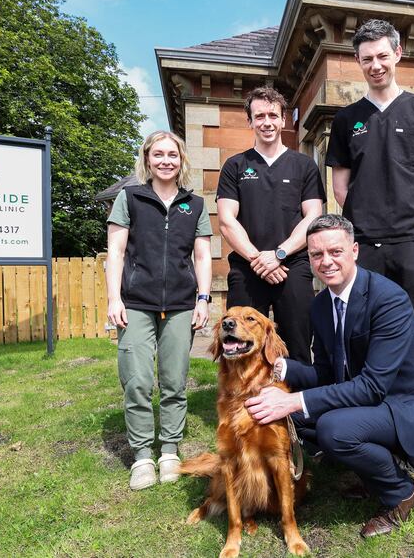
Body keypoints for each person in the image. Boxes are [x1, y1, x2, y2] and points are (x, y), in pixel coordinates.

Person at [245, 214, 414, 538]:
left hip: (408, 405)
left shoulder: (388, 300)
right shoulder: (320, 307)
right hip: (373, 400)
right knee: (300, 421)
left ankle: (401, 493)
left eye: (335, 252)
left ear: (354, 251)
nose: (325, 261)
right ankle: (372, 473)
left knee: (332, 429)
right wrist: (282, 369)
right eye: (316, 254)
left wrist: (293, 400)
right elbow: (329, 373)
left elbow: (372, 386)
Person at [326, 19, 414, 335]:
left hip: (411, 242)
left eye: (382, 56)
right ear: (358, 61)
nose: (376, 65)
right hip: (364, 243)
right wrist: (365, 223)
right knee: (364, 327)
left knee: (410, 329)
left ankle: (409, 386)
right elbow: (340, 187)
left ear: (397, 53)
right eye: (367, 58)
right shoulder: (347, 120)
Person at [105, 130, 212, 490]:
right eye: (159, 154)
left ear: (181, 160)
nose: (166, 161)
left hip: (181, 305)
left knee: (173, 380)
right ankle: (141, 456)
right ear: (147, 159)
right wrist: (113, 299)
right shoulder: (130, 197)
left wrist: (203, 298)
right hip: (135, 303)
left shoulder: (194, 204)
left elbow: (202, 255)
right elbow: (116, 252)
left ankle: (169, 450)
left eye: (173, 155)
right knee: (136, 381)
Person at [217, 86, 326, 363]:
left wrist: (278, 255)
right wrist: (258, 260)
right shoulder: (235, 166)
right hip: (247, 267)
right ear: (250, 121)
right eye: (260, 116)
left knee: (298, 342)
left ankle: (298, 402)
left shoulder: (304, 165)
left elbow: (313, 216)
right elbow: (227, 221)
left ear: (283, 119)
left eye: (273, 115)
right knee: (240, 344)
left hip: (292, 266)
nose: (267, 122)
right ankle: (248, 405)